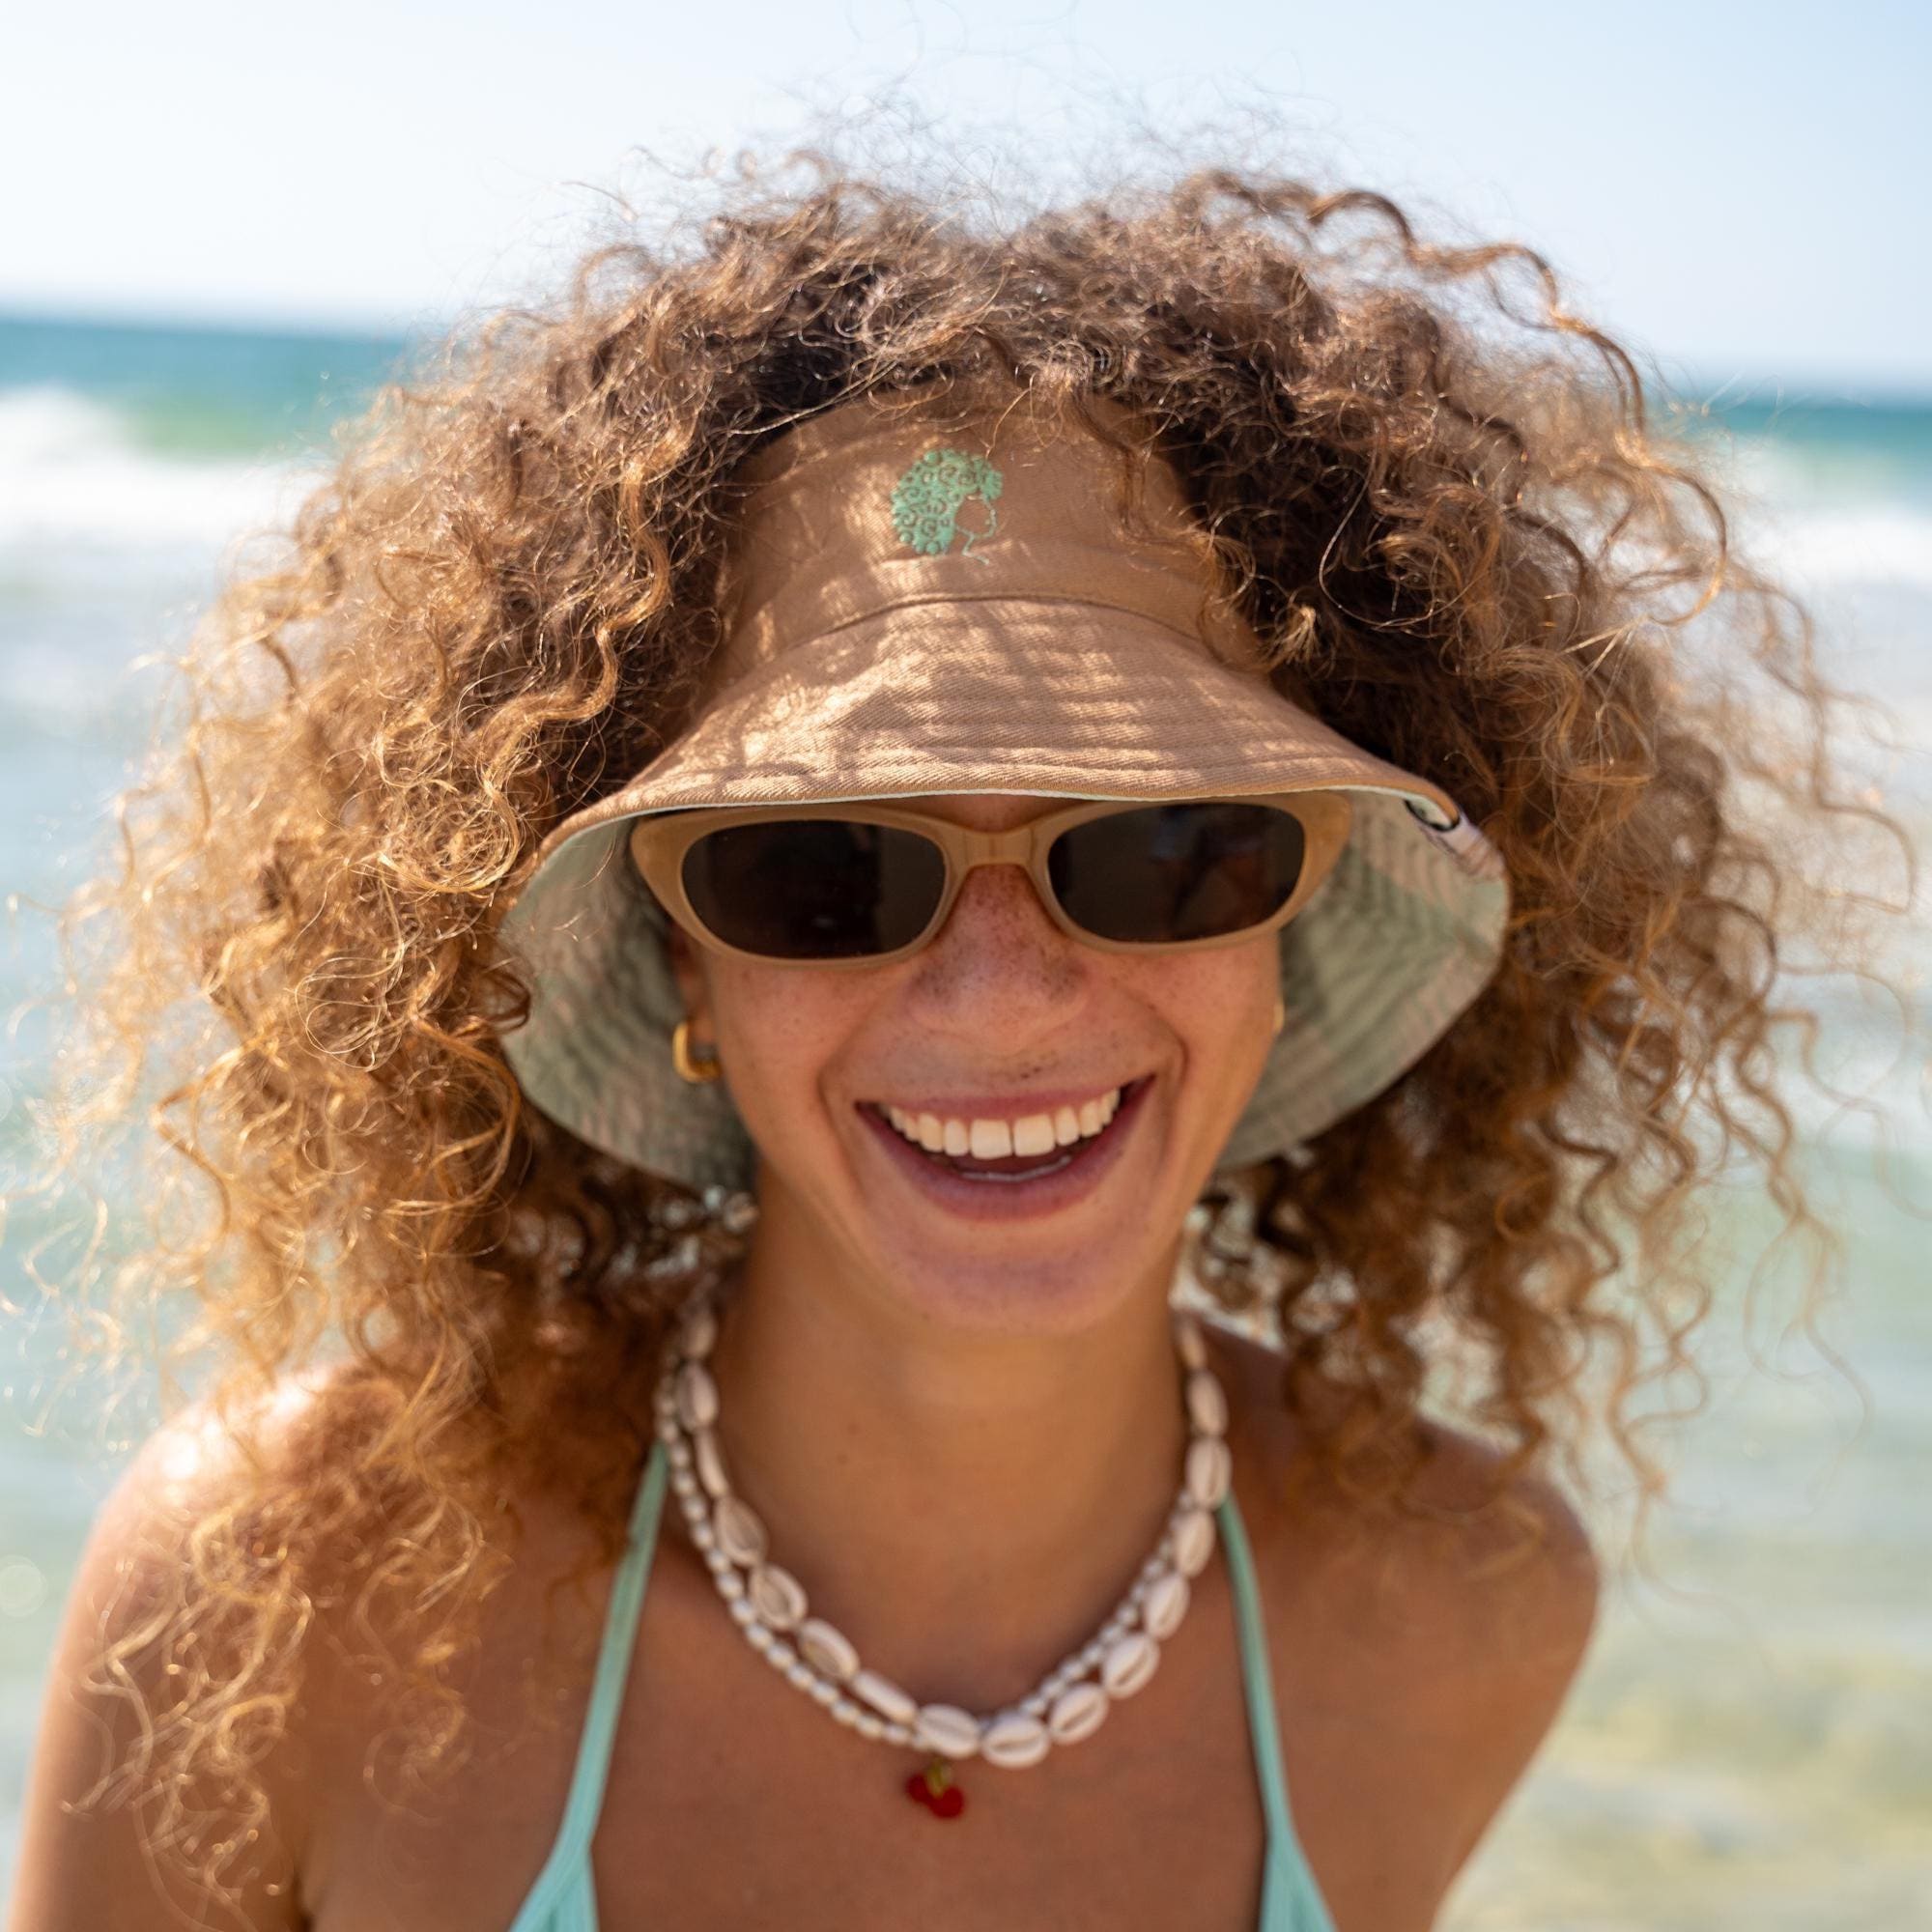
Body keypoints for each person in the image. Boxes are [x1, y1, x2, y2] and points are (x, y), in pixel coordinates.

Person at [8, 153, 1886, 1931]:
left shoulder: (1462, 1607)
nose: (1000, 996)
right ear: (671, 959)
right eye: (818, 867)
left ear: (1305, 912)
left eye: (1165, 848)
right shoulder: (274, 1584)